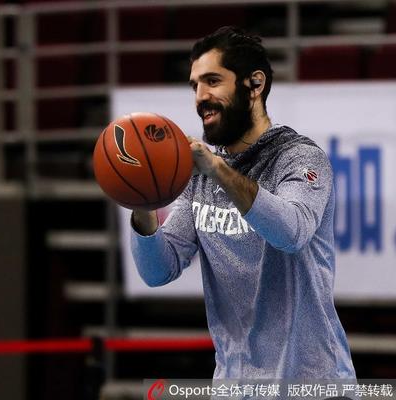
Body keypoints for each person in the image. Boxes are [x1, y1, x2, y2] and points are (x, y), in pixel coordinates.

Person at [130, 26, 356, 379]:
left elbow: (291, 233)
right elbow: (158, 270)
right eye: (194, 86)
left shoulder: (299, 158)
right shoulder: (200, 175)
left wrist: (217, 169)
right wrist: (143, 201)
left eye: (212, 81)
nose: (200, 97)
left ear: (255, 84)